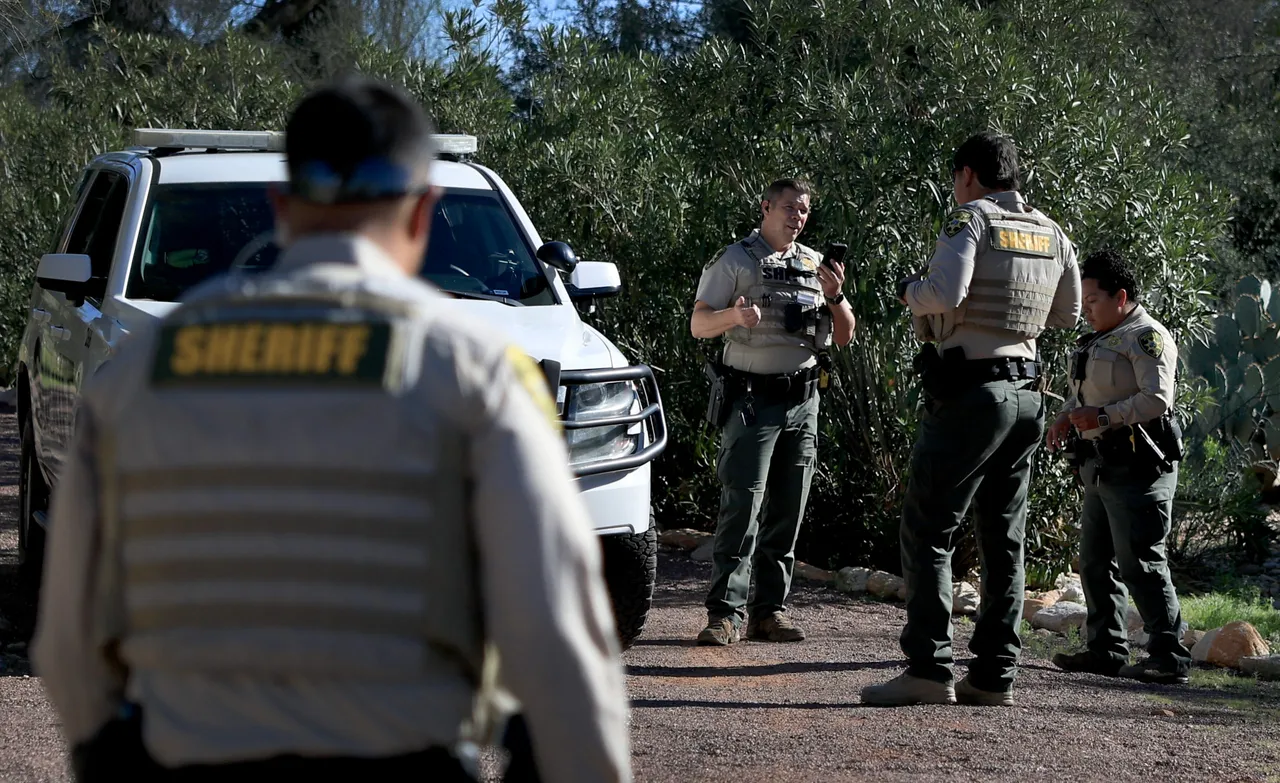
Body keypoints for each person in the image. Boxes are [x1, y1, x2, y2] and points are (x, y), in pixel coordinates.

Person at [31, 75, 632, 783]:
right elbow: (563, 657)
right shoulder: (480, 375)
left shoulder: (137, 372)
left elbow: (71, 643)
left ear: (281, 208)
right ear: (422, 212)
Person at [861, 131, 1081, 707]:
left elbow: (946, 289)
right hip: (1028, 396)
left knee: (929, 529)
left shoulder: (971, 221)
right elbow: (1070, 312)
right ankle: (992, 678)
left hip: (972, 395)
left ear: (966, 175)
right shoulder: (1051, 230)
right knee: (1003, 540)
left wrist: (912, 291)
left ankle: (929, 670)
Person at [690, 178, 856, 646]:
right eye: (788, 208)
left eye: (803, 211)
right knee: (743, 505)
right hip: (752, 400)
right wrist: (734, 318)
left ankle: (770, 611)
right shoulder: (737, 260)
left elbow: (844, 336)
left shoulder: (815, 267)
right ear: (765, 207)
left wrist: (837, 296)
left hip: (803, 402)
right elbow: (699, 323)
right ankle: (725, 613)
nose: (796, 217)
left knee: (788, 510)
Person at [1047, 248, 1191, 685]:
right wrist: (1067, 416)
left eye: (1093, 301)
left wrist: (1103, 418)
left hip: (1139, 467)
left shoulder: (1146, 337)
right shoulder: (1100, 338)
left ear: (1121, 296)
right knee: (1094, 561)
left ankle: (1169, 656)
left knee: (1142, 562)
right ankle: (1106, 649)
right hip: (1101, 466)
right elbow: (1088, 393)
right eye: (1084, 301)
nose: (1086, 309)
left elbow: (1157, 398)